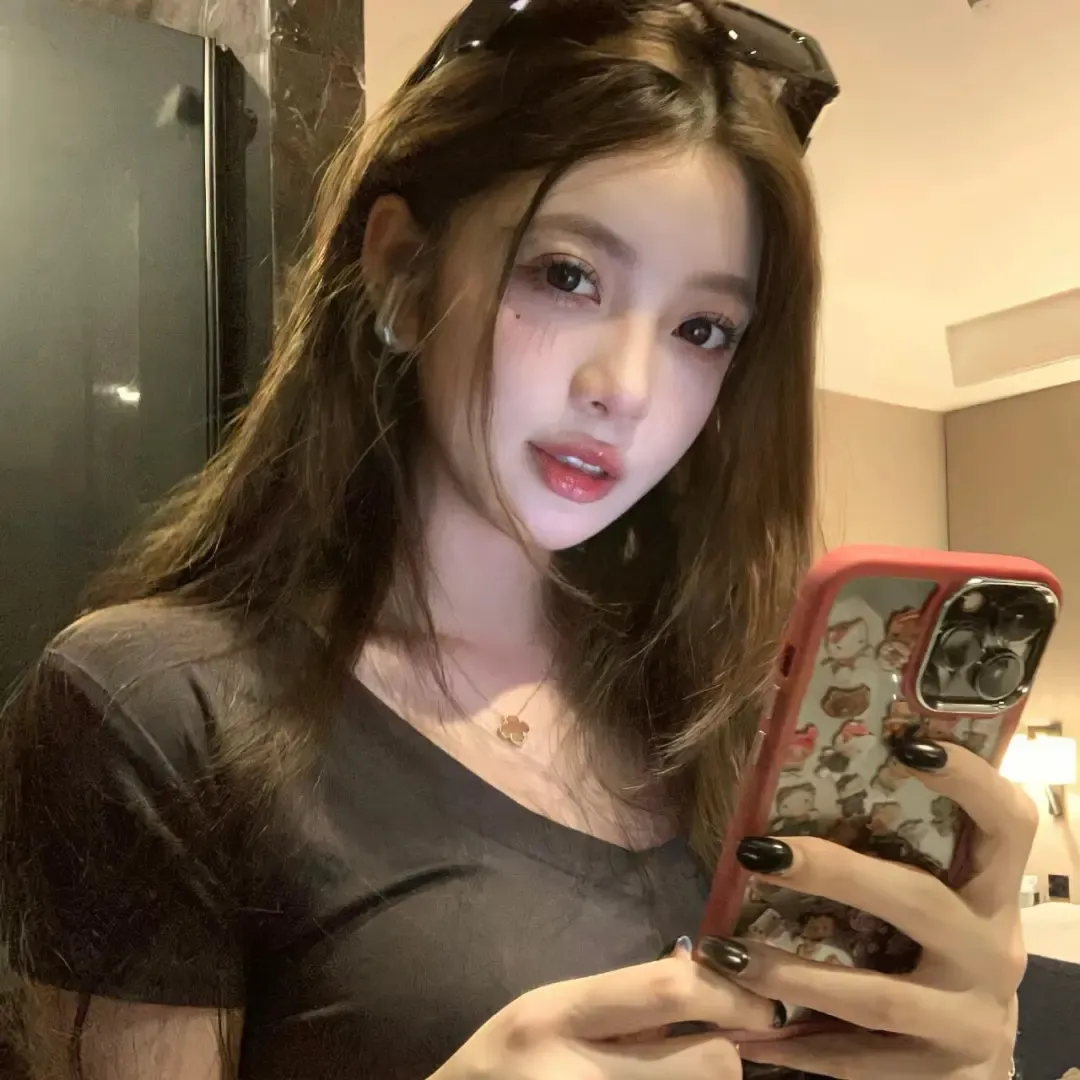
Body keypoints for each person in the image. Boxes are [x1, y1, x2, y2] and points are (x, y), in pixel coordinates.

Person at [0, 2, 1032, 1078]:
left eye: (702, 329)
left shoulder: (733, 720)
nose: (626, 389)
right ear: (402, 273)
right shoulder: (159, 709)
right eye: (568, 275)